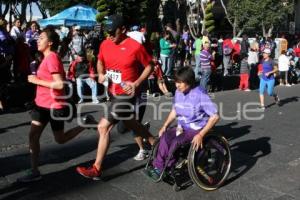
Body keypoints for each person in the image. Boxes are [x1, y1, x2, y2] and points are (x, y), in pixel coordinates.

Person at [76, 15, 156, 179]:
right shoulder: (106, 43)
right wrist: (100, 73)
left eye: (113, 32)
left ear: (124, 30)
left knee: (103, 127)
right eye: (107, 32)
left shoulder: (135, 47)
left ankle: (96, 168)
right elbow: (100, 61)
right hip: (112, 92)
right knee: (131, 123)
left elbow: (150, 66)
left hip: (127, 94)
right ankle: (156, 143)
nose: (109, 35)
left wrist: (136, 83)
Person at [17, 26, 86, 182]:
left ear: (50, 42)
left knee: (60, 139)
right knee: (33, 135)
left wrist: (36, 80)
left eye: (41, 38)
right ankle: (34, 170)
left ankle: (85, 125)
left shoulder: (52, 57)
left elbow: (60, 85)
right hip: (41, 104)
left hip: (54, 105)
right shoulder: (45, 57)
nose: (38, 40)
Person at [145, 67, 219, 180]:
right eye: (176, 82)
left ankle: (167, 167)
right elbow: (175, 110)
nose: (177, 85)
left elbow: (215, 116)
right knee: (165, 137)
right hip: (182, 126)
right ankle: (158, 167)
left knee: (176, 142)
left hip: (196, 128)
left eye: (180, 82)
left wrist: (201, 134)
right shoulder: (178, 92)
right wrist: (165, 126)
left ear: (189, 82)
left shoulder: (200, 94)